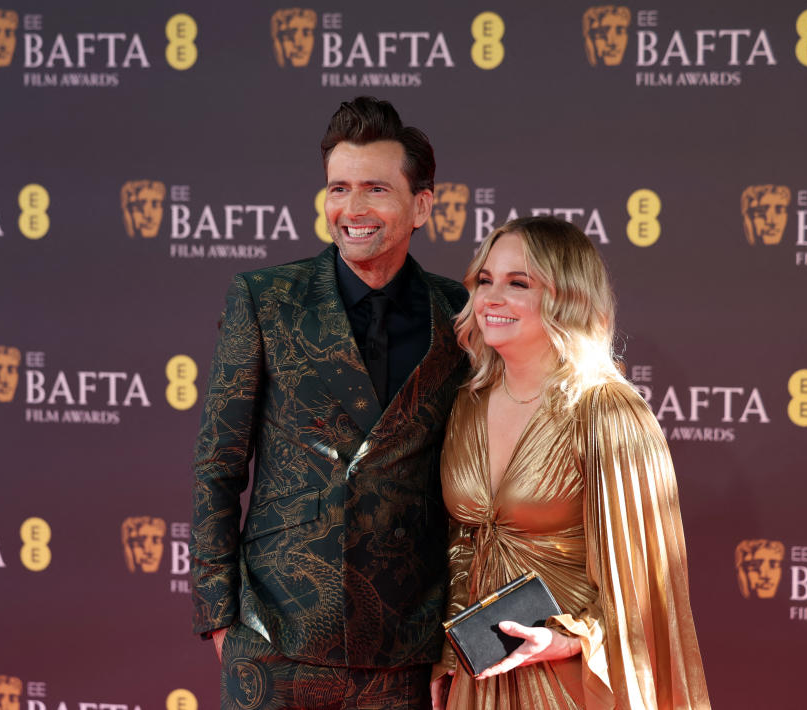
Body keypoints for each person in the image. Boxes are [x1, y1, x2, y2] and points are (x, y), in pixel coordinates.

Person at [190, 96, 469, 709]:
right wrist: (218, 614)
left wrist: (455, 637)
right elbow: (219, 464)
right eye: (337, 188)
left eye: (375, 189)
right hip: (273, 639)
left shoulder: (459, 315)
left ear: (422, 205)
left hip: (404, 648)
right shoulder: (264, 299)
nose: (352, 209)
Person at [432, 216, 710, 709]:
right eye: (484, 280)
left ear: (569, 298)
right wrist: (453, 654)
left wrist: (568, 638)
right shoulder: (469, 403)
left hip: (574, 679)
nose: (491, 298)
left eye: (519, 283)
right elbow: (464, 543)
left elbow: (646, 587)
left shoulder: (607, 411)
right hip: (485, 674)